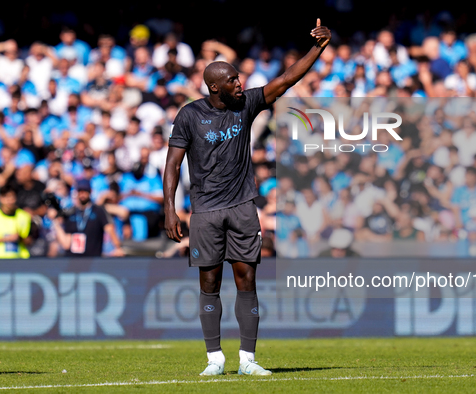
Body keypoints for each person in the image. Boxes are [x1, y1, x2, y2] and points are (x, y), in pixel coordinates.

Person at [163, 18, 331, 377]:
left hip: (242, 206)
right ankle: (214, 360)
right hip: (205, 210)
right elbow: (172, 166)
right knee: (209, 284)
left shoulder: (247, 103)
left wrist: (317, 48)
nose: (240, 84)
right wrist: (170, 209)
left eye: (239, 79)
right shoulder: (189, 115)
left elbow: (286, 80)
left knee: (246, 281)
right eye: (233, 81)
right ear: (214, 87)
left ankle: (248, 360)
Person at [50, 179, 124, 257]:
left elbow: (109, 228)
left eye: (85, 191)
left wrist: (117, 247)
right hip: (73, 260)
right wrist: (55, 222)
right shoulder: (71, 212)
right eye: (80, 191)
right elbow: (66, 243)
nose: (82, 194)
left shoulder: (98, 211)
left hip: (93, 259)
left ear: (90, 192)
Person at [0, 184, 34, 259]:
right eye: (6, 197)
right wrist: (6, 239)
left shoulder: (24, 216)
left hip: (20, 259)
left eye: (12, 197)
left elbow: (29, 240)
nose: (9, 201)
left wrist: (19, 238)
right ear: (0, 198)